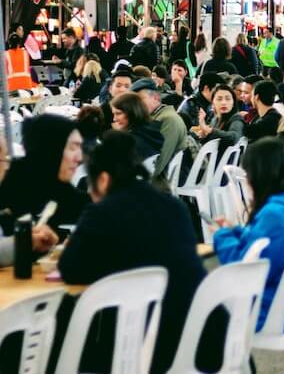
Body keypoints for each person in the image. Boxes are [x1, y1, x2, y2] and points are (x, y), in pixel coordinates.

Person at [58, 131, 205, 374]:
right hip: (202, 334)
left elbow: (70, 269)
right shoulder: (174, 206)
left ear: (103, 180)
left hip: (148, 347)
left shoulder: (103, 211)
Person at [213, 137, 284, 332]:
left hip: (276, 310)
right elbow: (269, 246)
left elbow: (249, 269)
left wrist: (222, 236)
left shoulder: (275, 215)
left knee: (200, 303)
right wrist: (237, 231)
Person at [0, 114, 88, 230]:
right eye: (72, 148)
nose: (79, 158)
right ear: (52, 150)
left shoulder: (60, 189)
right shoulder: (7, 188)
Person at [131, 78, 187, 177]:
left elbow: (158, 163)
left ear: (156, 97)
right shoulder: (155, 117)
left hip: (165, 181)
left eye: (139, 100)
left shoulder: (168, 120)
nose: (135, 105)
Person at [110, 92, 166, 160]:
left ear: (132, 112)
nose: (114, 119)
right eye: (113, 114)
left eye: (118, 113)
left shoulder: (130, 144)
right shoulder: (151, 132)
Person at [192, 84, 246, 151]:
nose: (223, 102)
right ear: (213, 103)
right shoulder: (215, 119)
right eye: (219, 99)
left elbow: (234, 138)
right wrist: (205, 135)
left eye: (228, 99)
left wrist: (209, 130)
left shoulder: (237, 119)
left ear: (233, 103)